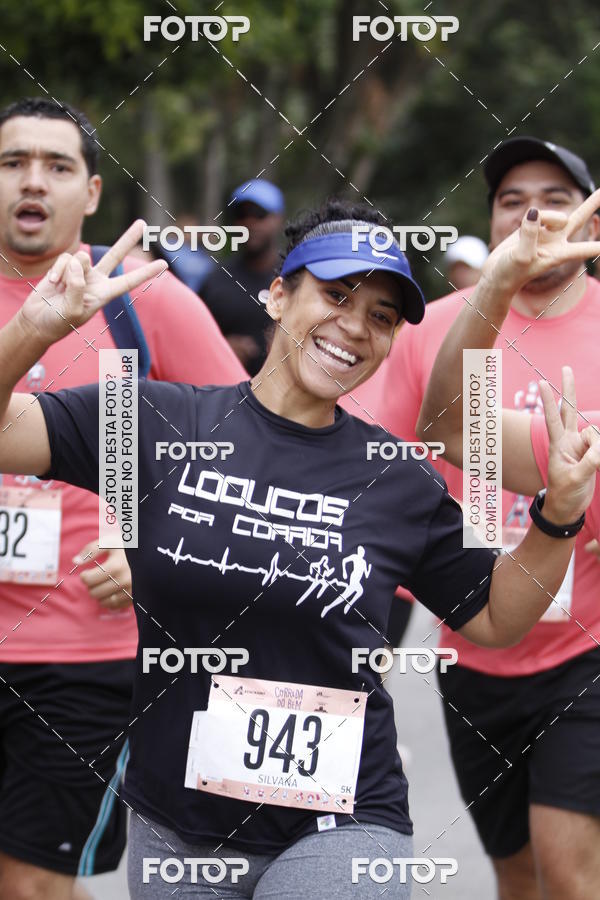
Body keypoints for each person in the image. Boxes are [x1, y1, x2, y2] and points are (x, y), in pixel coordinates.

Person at [0, 196, 598, 899]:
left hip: (344, 817)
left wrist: (558, 514)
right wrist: (30, 334)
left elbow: (497, 617)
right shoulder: (158, 420)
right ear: (279, 295)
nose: (354, 327)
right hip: (179, 823)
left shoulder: (397, 477)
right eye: (336, 295)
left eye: (381, 316)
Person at [0, 96, 246, 900]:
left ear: (94, 192)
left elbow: (250, 446)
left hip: (85, 661)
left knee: (33, 885)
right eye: (12, 163)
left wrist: (156, 550)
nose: (32, 181)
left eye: (57, 165)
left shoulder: (142, 297)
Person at [377, 137, 600, 900]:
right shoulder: (431, 331)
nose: (533, 212)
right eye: (511, 199)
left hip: (588, 649)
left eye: (556, 196)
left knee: (570, 870)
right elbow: (366, 455)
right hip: (474, 650)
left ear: (590, 221)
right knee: (515, 874)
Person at [201, 178, 285, 375]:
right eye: (242, 214)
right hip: (224, 393)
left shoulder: (298, 279)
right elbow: (191, 340)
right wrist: (221, 350)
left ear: (278, 219)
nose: (250, 222)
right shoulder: (215, 280)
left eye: (259, 214)